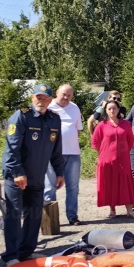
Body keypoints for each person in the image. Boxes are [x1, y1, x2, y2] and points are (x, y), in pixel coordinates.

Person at [0, 83, 65, 265]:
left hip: (37, 176)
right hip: (17, 176)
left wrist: (59, 172)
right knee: (14, 214)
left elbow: (56, 150)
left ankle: (26, 252)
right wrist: (17, 173)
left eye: (45, 98)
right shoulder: (21, 117)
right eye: (38, 97)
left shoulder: (54, 119)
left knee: (34, 214)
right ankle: (11, 256)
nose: (41, 100)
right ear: (32, 98)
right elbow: (12, 149)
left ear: (51, 100)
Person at [91, 99, 134, 219]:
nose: (112, 110)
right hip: (106, 160)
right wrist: (102, 154)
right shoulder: (102, 125)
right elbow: (95, 142)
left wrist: (123, 152)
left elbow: (130, 140)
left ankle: (130, 210)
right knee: (110, 183)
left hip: (123, 159)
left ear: (118, 110)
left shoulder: (126, 124)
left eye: (114, 108)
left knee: (126, 183)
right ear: (106, 111)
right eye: (109, 109)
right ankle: (112, 210)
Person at [44, 84, 83, 225]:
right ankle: (50, 221)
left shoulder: (75, 108)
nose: (66, 97)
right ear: (56, 93)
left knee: (73, 187)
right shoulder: (48, 107)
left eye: (69, 95)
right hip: (53, 155)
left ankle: (72, 216)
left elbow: (77, 129)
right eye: (63, 94)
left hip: (73, 153)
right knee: (50, 187)